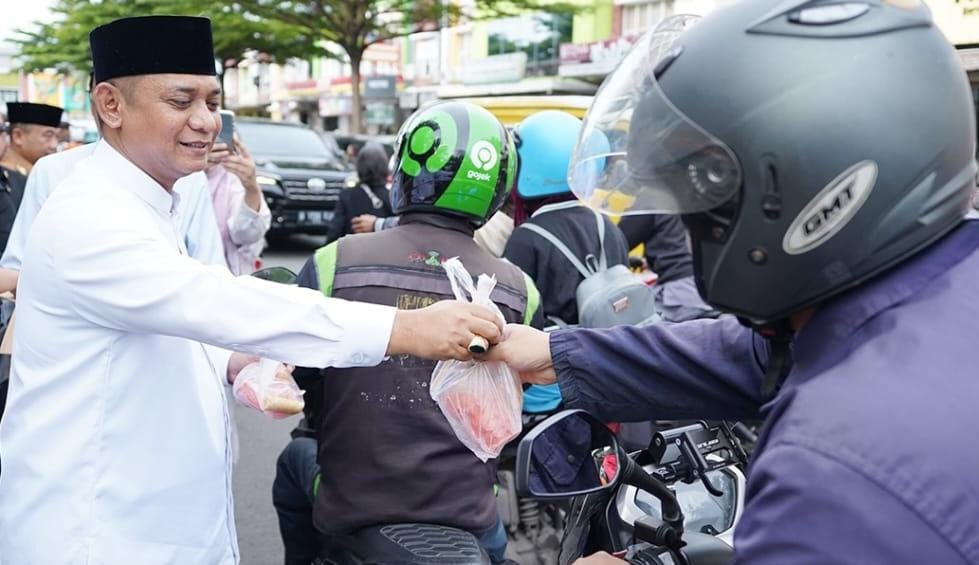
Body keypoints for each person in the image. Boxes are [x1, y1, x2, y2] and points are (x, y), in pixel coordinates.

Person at [0, 16, 504, 565]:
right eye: (181, 100)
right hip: (95, 533)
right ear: (110, 105)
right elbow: (208, 299)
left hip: (154, 521)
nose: (205, 121)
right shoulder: (90, 216)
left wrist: (232, 362)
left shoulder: (148, 202)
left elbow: (158, 320)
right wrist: (405, 328)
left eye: (213, 101)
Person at [489, 4, 979, 563]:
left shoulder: (832, 477)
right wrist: (555, 351)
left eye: (705, 206)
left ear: (795, 195)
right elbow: (757, 353)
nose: (698, 228)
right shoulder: (932, 292)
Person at [272, 101, 542, 565]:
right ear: (498, 189)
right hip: (470, 516)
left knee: (292, 465)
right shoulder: (519, 290)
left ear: (407, 170)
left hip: (351, 507)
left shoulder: (334, 261)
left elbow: (296, 375)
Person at [502, 110, 630, 414]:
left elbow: (510, 317)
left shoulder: (526, 238)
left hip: (547, 389)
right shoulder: (607, 227)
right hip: (605, 377)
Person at [616, 214, 717, 321]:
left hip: (678, 291)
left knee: (628, 317)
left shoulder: (650, 206)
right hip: (705, 286)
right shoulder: (687, 201)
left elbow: (615, 243)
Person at [205, 135, 271, 274]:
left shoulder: (232, 175)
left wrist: (252, 189)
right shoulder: (168, 172)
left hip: (225, 281)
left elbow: (247, 234)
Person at [324, 141, 393, 243]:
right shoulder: (392, 197)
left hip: (352, 254)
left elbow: (335, 233)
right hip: (384, 254)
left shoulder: (346, 195)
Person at [0, 102, 62, 207]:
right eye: (48, 135)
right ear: (18, 136)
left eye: (57, 137)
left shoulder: (37, 174)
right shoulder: (6, 179)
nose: (54, 145)